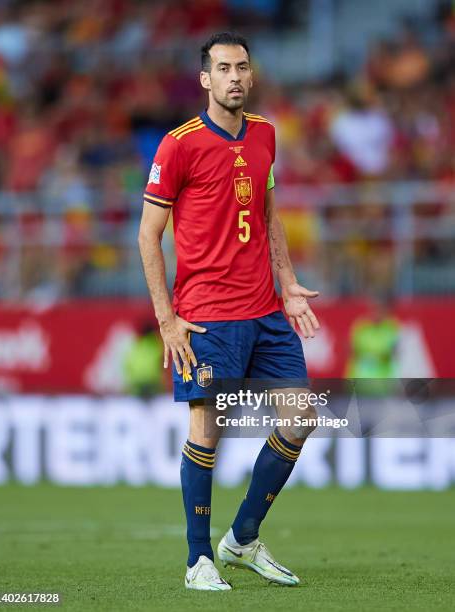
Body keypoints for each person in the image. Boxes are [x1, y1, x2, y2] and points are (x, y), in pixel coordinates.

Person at [139, 32, 320, 591]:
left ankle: (241, 538)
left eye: (242, 67)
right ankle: (198, 561)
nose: (235, 77)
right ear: (205, 79)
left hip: (264, 309)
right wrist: (167, 319)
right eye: (223, 68)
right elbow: (149, 236)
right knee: (206, 428)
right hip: (206, 315)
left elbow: (268, 213)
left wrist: (288, 282)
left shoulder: (265, 134)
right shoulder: (179, 144)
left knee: (302, 414)